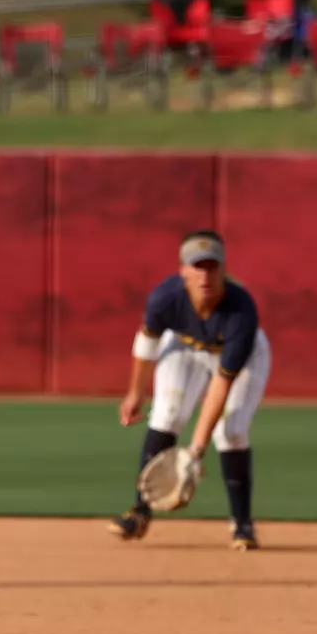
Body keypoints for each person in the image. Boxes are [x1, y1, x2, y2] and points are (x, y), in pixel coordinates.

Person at [110, 230, 272, 550]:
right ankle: (140, 512)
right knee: (166, 416)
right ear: (182, 270)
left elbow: (220, 385)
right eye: (197, 267)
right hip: (185, 346)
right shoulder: (165, 298)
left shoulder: (241, 312)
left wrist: (195, 451)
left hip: (243, 357)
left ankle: (242, 524)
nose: (205, 275)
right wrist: (135, 392)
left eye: (212, 266)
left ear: (224, 269)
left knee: (232, 432)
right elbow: (147, 341)